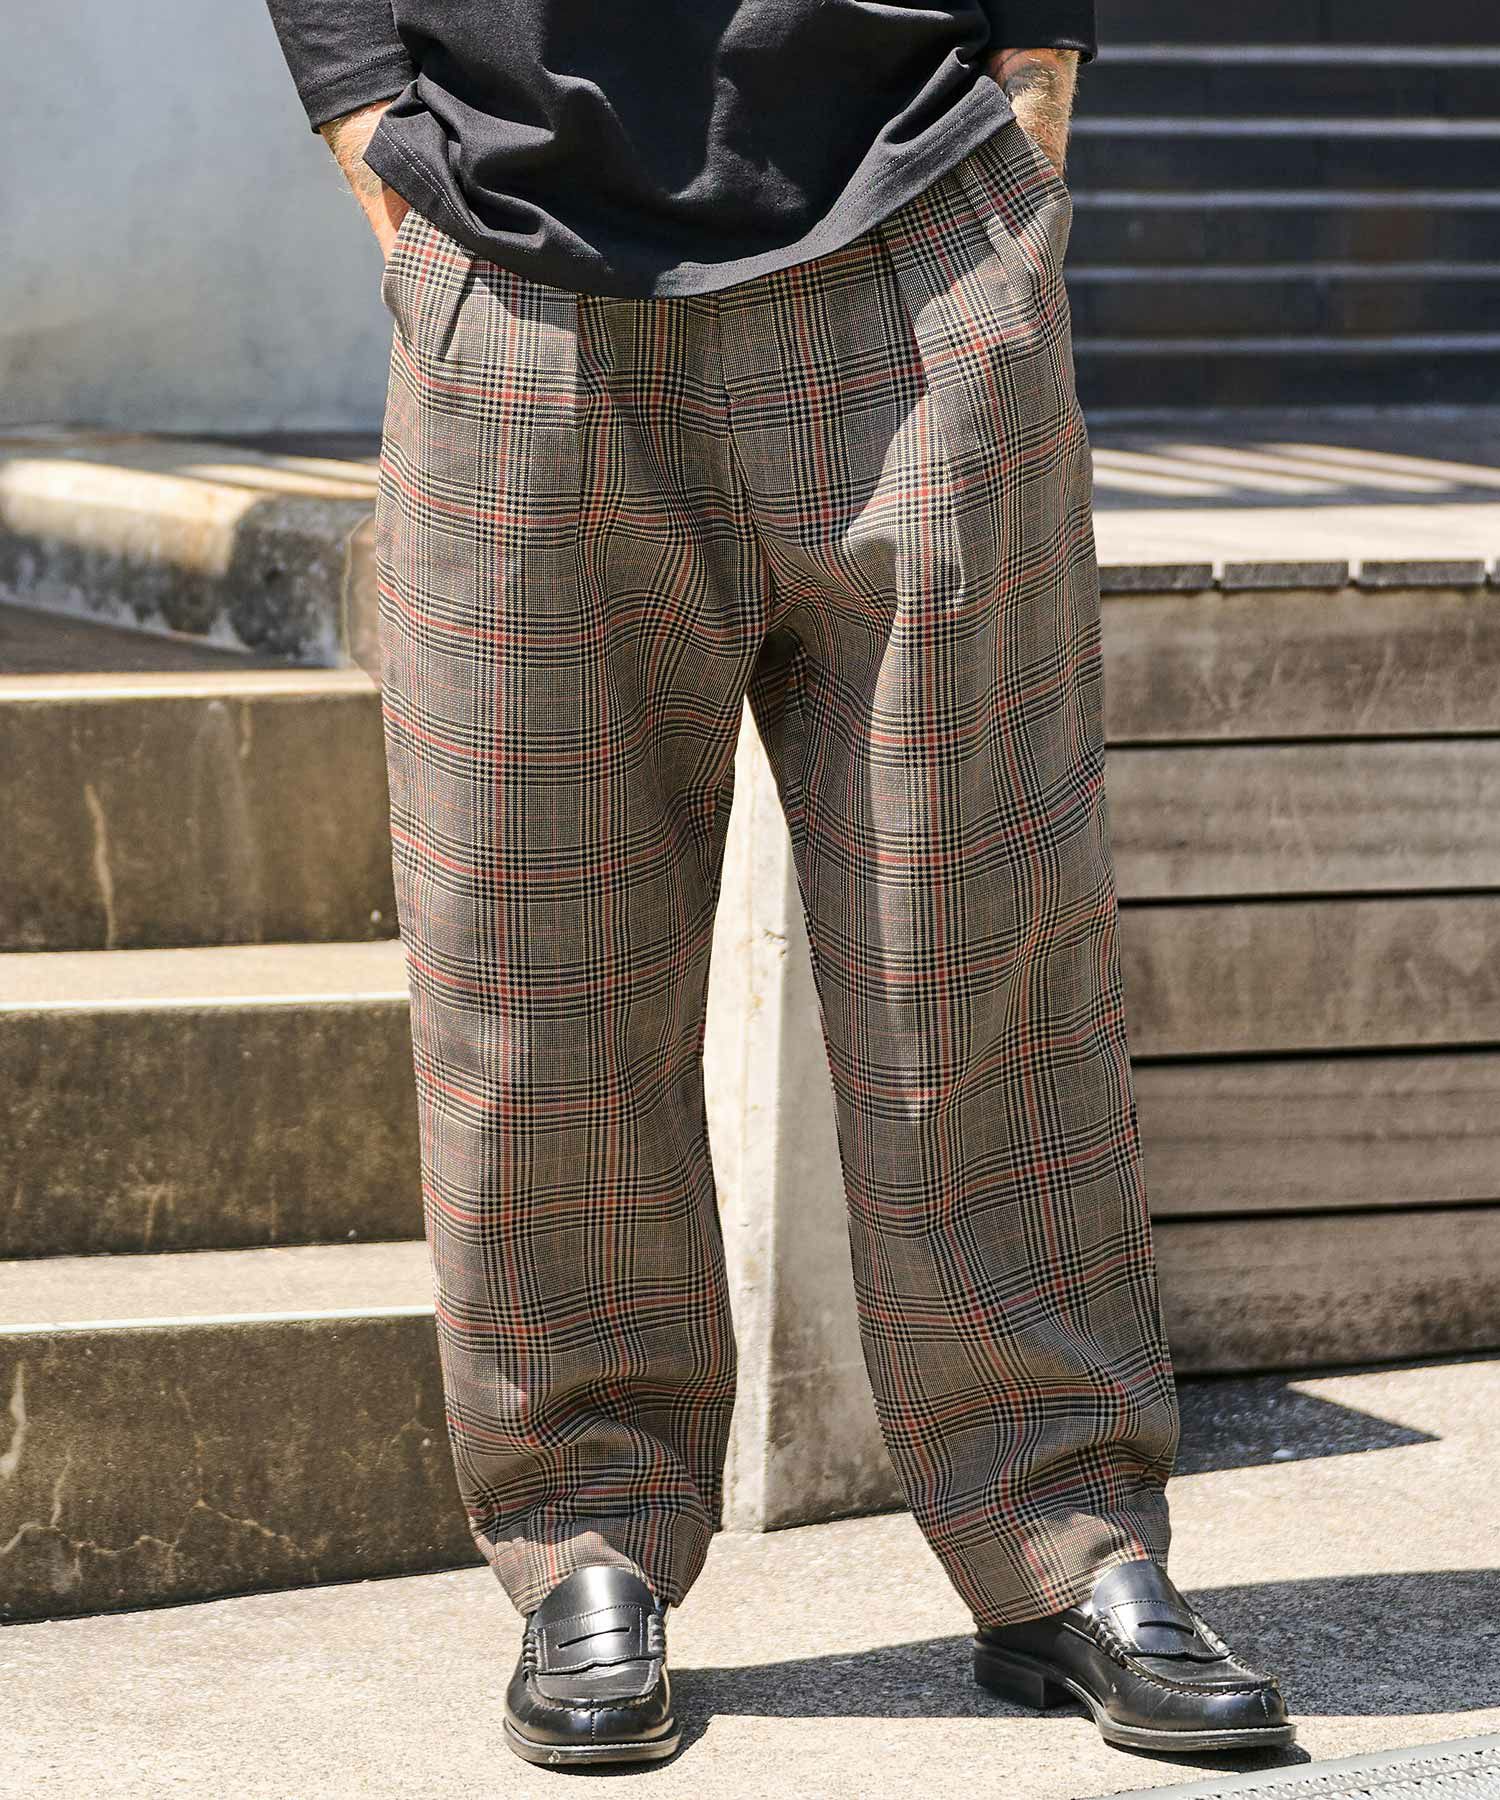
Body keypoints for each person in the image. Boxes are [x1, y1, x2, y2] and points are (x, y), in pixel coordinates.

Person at [264, 0, 1295, 1768]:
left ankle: (1066, 1543)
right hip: (515, 258)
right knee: (536, 978)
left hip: (916, 217)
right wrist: (367, 118)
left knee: (986, 947)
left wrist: (1033, 99)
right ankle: (586, 1544)